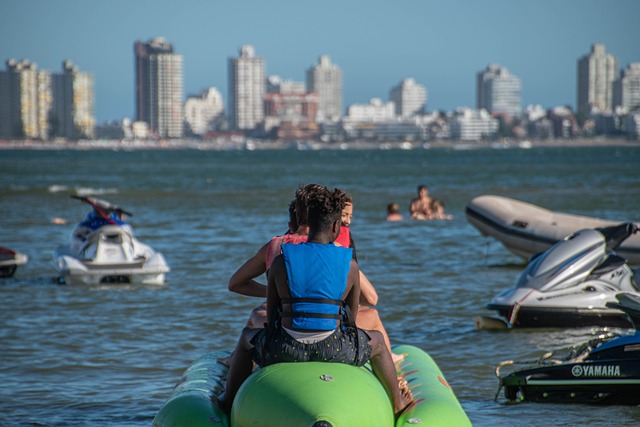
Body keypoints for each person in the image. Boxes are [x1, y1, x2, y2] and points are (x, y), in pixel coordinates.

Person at [219, 186, 412, 416]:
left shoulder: (282, 261)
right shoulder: (348, 263)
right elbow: (349, 319)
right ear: (335, 227)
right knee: (378, 341)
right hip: (334, 348)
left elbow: (273, 317)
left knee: (245, 339)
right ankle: (398, 404)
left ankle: (227, 402)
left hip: (285, 349)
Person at [335, 189, 403, 363]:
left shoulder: (289, 246)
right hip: (332, 329)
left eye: (350, 216)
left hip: (297, 325)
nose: (348, 221)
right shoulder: (340, 246)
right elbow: (371, 298)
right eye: (344, 215)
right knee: (372, 312)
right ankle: (391, 363)